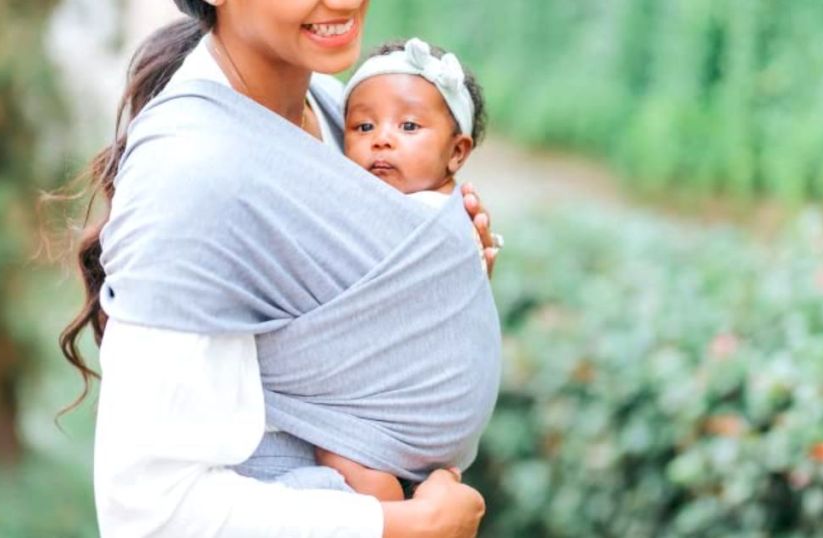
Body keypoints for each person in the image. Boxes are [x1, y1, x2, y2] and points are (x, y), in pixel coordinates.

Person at [60, 1, 501, 536]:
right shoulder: (192, 175)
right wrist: (402, 525)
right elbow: (149, 511)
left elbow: (355, 332)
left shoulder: (338, 112)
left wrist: (434, 287)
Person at [312, 37, 493, 501]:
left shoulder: (425, 215)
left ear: (457, 153)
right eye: (363, 126)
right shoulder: (446, 210)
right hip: (444, 414)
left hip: (421, 402)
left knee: (334, 447)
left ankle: (392, 510)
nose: (382, 138)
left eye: (408, 126)